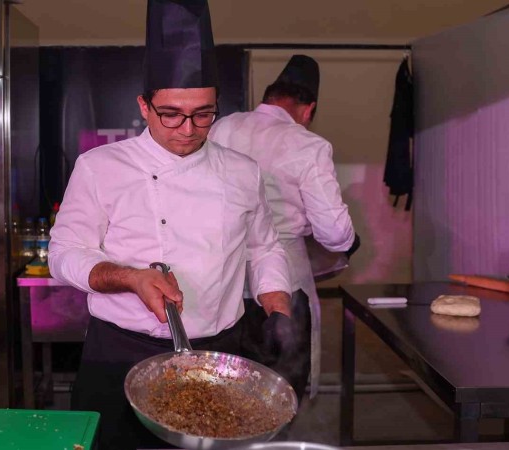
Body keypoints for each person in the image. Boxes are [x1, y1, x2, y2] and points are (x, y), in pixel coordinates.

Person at [48, 1, 292, 449]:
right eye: (171, 114)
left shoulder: (243, 170)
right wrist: (130, 277)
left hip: (219, 356)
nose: (188, 128)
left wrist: (278, 308)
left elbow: (264, 248)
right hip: (121, 353)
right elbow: (63, 255)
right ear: (144, 106)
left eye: (203, 114)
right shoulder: (100, 166)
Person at [210, 54, 359, 402]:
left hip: (221, 282)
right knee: (278, 392)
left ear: (269, 97)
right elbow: (334, 233)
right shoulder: (307, 145)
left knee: (223, 392)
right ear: (308, 110)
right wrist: (350, 240)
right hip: (284, 286)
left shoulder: (221, 128)